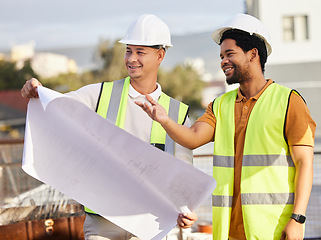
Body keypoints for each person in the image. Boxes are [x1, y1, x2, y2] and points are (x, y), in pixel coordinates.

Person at [136, 13, 316, 240]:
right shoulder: (220, 105)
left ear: (253, 54)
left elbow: (305, 163)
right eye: (221, 56)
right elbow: (192, 137)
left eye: (230, 54)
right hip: (228, 232)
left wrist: (297, 219)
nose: (223, 61)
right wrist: (165, 120)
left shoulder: (289, 101)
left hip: (274, 229)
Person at [21, 14, 197, 240]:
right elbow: (58, 105)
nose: (131, 58)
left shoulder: (177, 113)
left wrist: (185, 209)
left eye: (140, 52)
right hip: (102, 224)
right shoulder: (100, 93)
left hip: (149, 225)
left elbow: (184, 176)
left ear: (160, 55)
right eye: (128, 51)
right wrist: (37, 90)